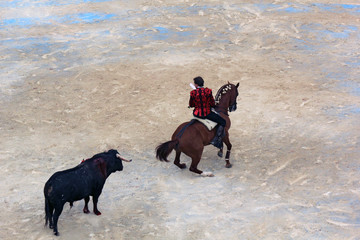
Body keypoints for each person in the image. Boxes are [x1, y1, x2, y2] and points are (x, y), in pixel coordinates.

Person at [189, 76, 226, 149]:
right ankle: (216, 140)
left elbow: (191, 104)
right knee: (223, 122)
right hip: (207, 113)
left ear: (196, 85)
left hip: (197, 114)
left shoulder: (193, 93)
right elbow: (212, 103)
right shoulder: (208, 91)